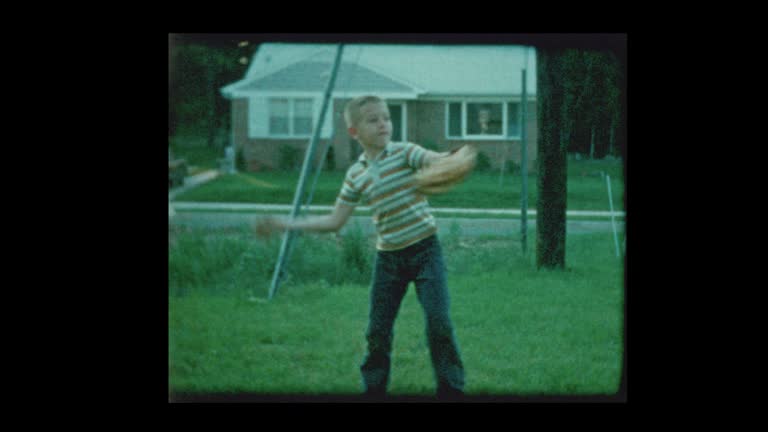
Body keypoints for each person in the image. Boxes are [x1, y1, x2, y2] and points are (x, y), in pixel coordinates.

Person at [255, 95, 465, 400]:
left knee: (439, 322)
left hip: (425, 251)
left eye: (386, 117)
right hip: (388, 259)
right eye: (373, 119)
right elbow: (334, 221)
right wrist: (284, 224)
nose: (383, 124)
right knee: (377, 332)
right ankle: (374, 389)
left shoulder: (406, 153)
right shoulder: (355, 175)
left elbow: (435, 159)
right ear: (355, 132)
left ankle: (452, 390)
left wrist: (455, 156)